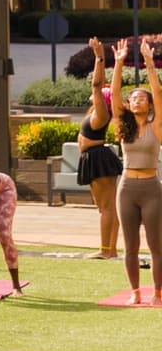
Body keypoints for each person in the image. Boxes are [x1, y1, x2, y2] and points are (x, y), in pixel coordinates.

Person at [110, 38, 162, 304]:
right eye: (134, 99)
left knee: (156, 246)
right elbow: (115, 91)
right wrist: (118, 63)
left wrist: (150, 64)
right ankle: (134, 292)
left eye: (142, 98)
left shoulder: (157, 126)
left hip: (152, 188)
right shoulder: (124, 125)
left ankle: (157, 292)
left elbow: (158, 91)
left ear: (150, 105)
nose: (137, 100)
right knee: (130, 246)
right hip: (127, 189)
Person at [78, 38, 122, 260]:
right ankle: (110, 249)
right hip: (95, 157)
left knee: (106, 207)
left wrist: (99, 57)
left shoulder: (102, 114)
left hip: (97, 158)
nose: (94, 91)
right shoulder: (96, 114)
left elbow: (97, 85)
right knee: (108, 207)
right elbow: (100, 85)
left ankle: (106, 250)